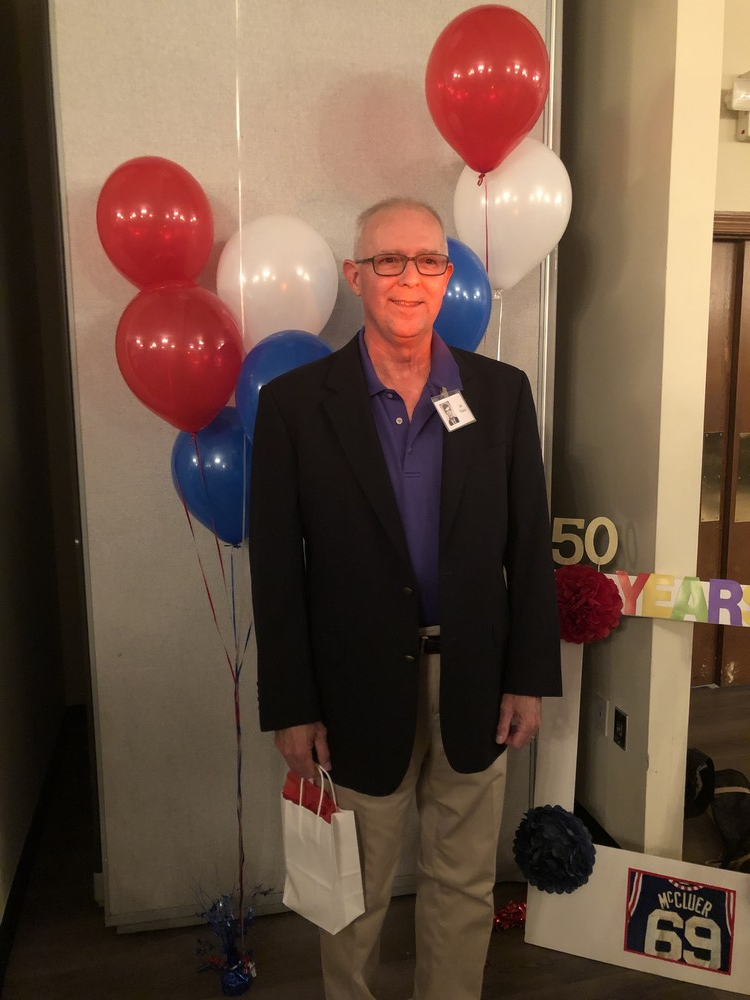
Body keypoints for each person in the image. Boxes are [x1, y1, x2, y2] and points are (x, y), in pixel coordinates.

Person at [249, 198, 561, 1000]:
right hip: (351, 686)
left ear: (447, 276)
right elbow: (277, 571)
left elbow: (529, 547)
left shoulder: (501, 394)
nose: (408, 279)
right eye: (387, 261)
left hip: (475, 678)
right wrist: (291, 704)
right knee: (350, 894)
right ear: (356, 275)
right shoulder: (294, 405)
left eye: (427, 261)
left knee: (462, 885)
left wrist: (528, 676)